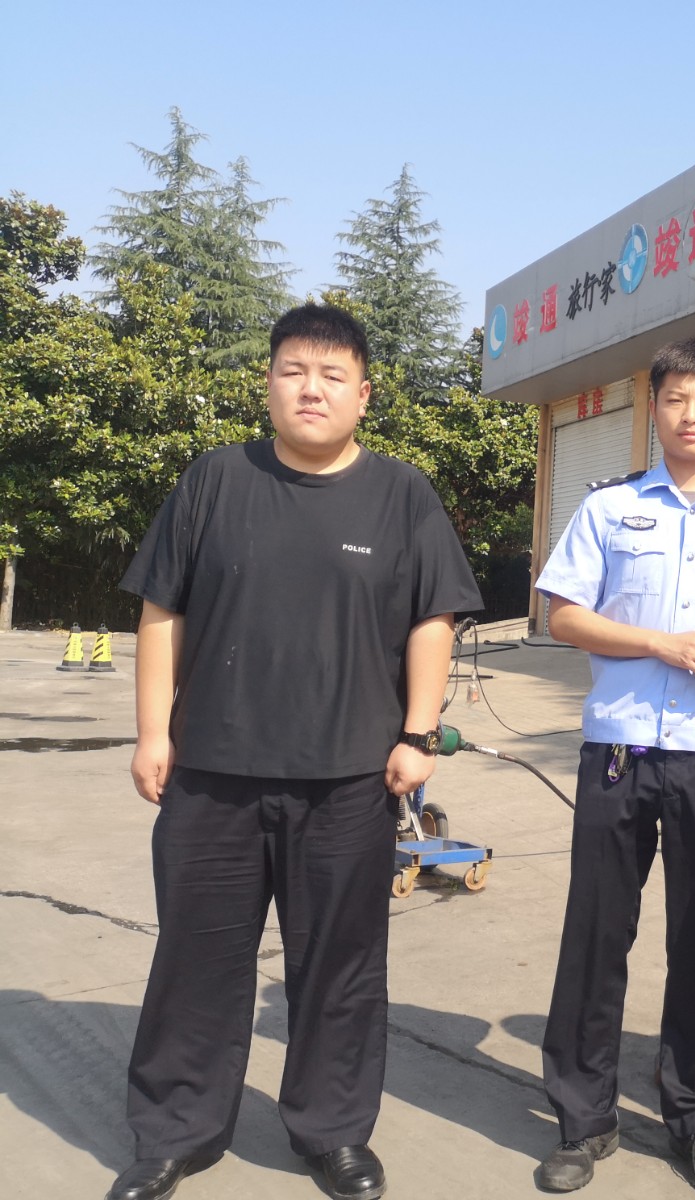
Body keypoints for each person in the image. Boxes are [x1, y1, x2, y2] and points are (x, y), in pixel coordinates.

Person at [109, 304, 482, 1200]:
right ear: (269, 382)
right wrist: (153, 731)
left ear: (364, 394)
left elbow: (433, 618)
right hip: (213, 773)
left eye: (331, 376)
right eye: (293, 371)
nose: (310, 390)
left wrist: (418, 733)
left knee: (339, 968)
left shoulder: (402, 494)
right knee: (196, 960)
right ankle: (175, 1131)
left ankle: (333, 1130)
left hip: (349, 779)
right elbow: (162, 609)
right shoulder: (215, 479)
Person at [533, 336, 695, 1195]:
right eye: (676, 399)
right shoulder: (609, 508)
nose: (690, 415)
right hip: (618, 750)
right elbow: (563, 616)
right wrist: (658, 643)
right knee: (596, 936)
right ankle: (583, 1119)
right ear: (654, 408)